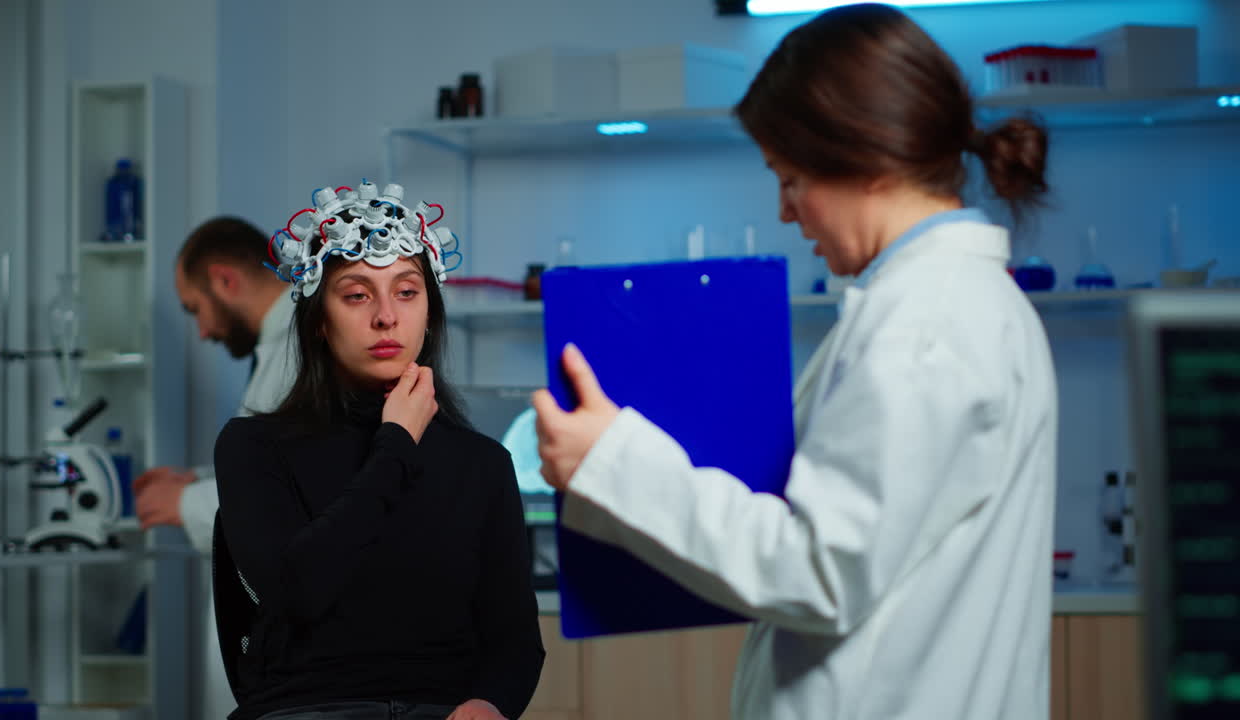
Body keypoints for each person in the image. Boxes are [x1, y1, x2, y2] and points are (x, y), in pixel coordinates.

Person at [533, 4, 1056, 720]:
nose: (786, 213)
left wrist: (611, 462)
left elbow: (821, 570)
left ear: (865, 161)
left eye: (789, 179)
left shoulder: (927, 325)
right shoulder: (952, 305)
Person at [213, 182, 544, 720]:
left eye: (407, 292)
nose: (386, 316)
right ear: (320, 320)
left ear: (430, 313)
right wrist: (395, 446)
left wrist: (490, 704)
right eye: (358, 294)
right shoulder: (253, 447)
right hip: (308, 710)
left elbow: (515, 641)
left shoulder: (483, 464)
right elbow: (298, 592)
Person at [133, 216, 299, 720]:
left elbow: (291, 499)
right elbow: (274, 459)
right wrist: (199, 480)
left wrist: (182, 503)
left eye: (196, 309)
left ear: (225, 280)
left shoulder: (301, 348)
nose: (202, 331)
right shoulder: (281, 346)